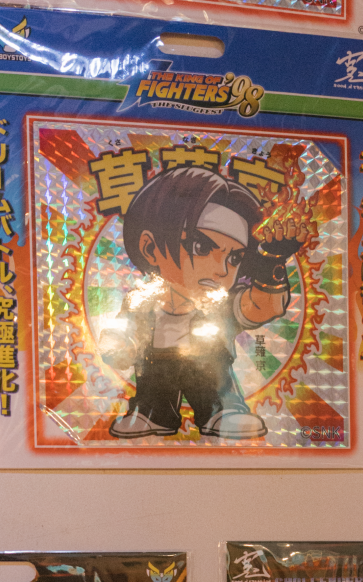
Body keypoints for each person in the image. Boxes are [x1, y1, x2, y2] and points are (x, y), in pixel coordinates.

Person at [106, 166, 292, 441]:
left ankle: (224, 409)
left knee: (212, 373)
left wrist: (271, 264)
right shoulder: (140, 303)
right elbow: (123, 338)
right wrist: (118, 344)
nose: (221, 269)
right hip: (156, 372)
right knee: (153, 379)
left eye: (234, 258)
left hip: (211, 378)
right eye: (201, 247)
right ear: (151, 248)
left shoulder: (220, 304)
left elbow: (263, 306)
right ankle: (152, 412)